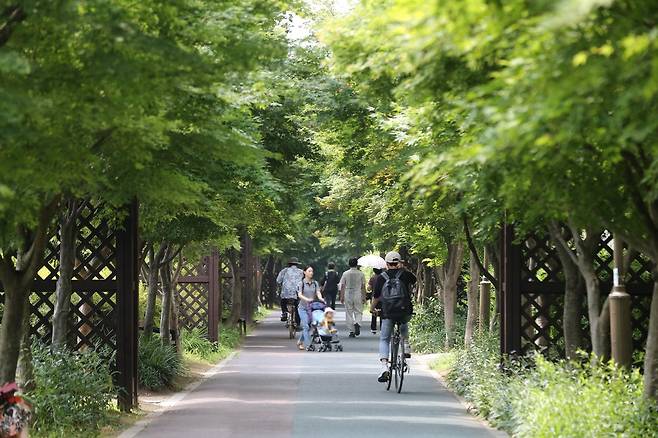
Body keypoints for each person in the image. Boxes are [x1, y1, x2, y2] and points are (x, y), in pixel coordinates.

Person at [371, 251, 416, 383]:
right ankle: (406, 344)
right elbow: (414, 280)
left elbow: (376, 296)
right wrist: (403, 268)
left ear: (386, 263)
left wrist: (372, 308)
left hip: (388, 312)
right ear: (399, 262)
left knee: (384, 339)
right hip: (404, 310)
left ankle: (384, 366)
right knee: (404, 321)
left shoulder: (381, 277)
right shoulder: (405, 274)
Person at [297, 265, 324, 350]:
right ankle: (308, 345)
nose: (311, 273)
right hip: (302, 308)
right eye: (309, 271)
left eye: (312, 271)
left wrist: (321, 298)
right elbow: (299, 294)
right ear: (304, 272)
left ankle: (300, 341)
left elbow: (318, 292)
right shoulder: (301, 283)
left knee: (308, 326)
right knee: (306, 326)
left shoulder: (315, 283)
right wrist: (307, 299)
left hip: (311, 308)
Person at [339, 257, 366, 338]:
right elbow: (363, 286)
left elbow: (342, 285)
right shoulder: (361, 273)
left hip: (348, 293)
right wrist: (364, 296)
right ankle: (357, 323)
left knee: (349, 312)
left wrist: (341, 296)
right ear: (357, 264)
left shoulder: (345, 273)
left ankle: (351, 331)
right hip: (358, 293)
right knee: (359, 311)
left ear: (349, 264)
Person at [276, 257, 304, 323]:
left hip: (286, 292)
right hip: (297, 293)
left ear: (289, 264)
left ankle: (284, 313)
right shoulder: (301, 272)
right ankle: (297, 323)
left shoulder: (284, 271)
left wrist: (282, 285)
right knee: (298, 307)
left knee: (283, 301)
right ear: (297, 264)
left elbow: (278, 280)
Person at [367, 268, 383, 334]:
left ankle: (373, 328)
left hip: (374, 297)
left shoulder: (372, 278)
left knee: (374, 312)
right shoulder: (384, 277)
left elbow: (369, 288)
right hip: (383, 297)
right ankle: (382, 328)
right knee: (382, 312)